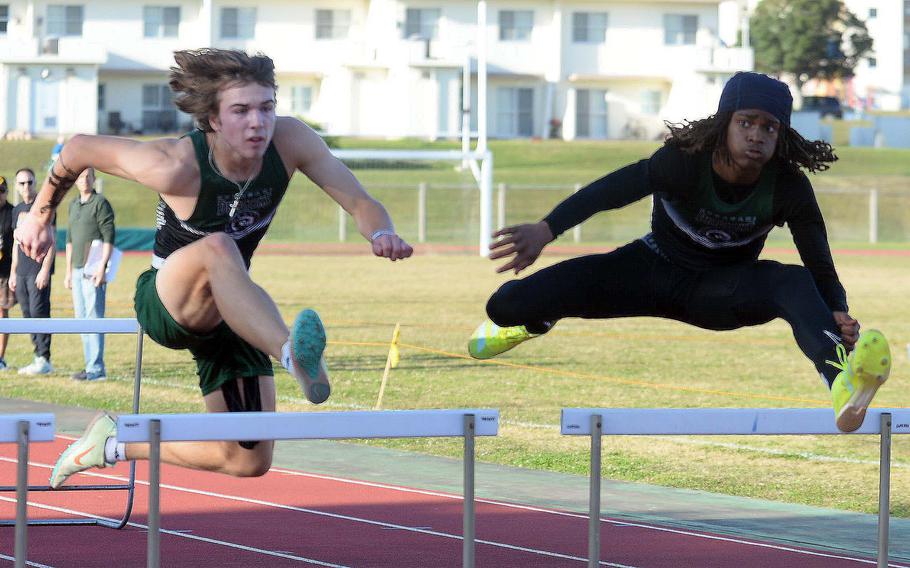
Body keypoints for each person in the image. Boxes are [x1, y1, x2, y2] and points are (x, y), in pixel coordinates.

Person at [14, 48, 413, 488]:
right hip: (167, 302)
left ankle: (114, 442)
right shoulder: (175, 164)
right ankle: (292, 355)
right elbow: (79, 148)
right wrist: (40, 215)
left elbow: (359, 201)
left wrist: (380, 233)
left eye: (267, 108)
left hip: (233, 310)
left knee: (247, 458)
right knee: (219, 246)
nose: (258, 123)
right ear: (214, 120)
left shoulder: (292, 141)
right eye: (241, 111)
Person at [468, 72, 891, 433]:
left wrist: (836, 309)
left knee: (793, 280)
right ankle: (537, 320)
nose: (757, 135)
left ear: (781, 135)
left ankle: (842, 383)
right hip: (648, 271)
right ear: (725, 123)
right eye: (746, 122)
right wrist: (547, 228)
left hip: (722, 292)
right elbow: (614, 189)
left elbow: (819, 260)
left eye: (769, 127)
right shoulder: (684, 160)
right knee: (505, 305)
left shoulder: (788, 185)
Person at [65, 167, 115, 381]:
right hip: (76, 270)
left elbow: (108, 237)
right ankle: (89, 365)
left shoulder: (100, 203)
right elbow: (68, 240)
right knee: (81, 320)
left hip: (93, 271)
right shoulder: (73, 204)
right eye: (81, 176)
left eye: (88, 176)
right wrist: (68, 272)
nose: (84, 180)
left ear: (94, 179)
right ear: (75, 181)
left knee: (94, 318)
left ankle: (96, 368)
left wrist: (102, 267)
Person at [10, 167, 55, 375]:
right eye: (22, 183)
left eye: (29, 182)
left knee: (39, 312)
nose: (26, 186)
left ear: (35, 183)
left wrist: (45, 270)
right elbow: (15, 244)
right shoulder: (16, 209)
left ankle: (44, 358)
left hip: (38, 270)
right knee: (27, 314)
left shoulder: (44, 207)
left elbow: (52, 241)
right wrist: (13, 272)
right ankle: (37, 356)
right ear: (17, 186)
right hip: (21, 272)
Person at [0, 175, 15, 370]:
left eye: (1, 190)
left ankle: (0, 357)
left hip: (4, 272)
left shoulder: (11, 213)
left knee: (2, 313)